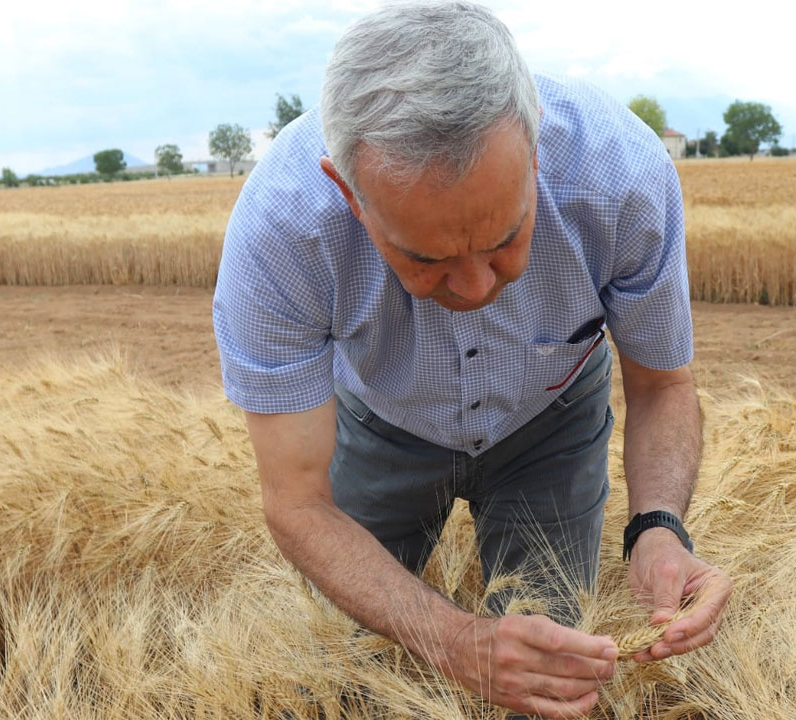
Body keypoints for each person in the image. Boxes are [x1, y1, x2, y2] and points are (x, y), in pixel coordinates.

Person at [212, 2, 732, 717]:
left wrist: (659, 528)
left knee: (551, 675)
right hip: (381, 420)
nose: (477, 288)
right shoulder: (280, 234)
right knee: (339, 660)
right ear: (348, 196)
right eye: (427, 258)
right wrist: (453, 640)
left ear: (536, 150)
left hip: (552, 421)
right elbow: (300, 504)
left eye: (505, 237)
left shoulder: (623, 177)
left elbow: (663, 385)